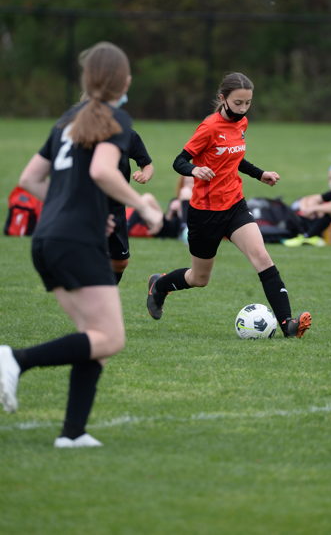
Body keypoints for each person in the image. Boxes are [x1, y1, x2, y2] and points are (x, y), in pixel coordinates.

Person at [0, 41, 156, 448]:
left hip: (47, 239)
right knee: (111, 338)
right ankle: (14, 359)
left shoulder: (67, 120)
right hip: (75, 241)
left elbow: (30, 179)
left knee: (93, 337)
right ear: (124, 81)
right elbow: (103, 171)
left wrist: (80, 209)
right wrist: (143, 205)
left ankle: (73, 433)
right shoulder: (115, 118)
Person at [145, 72, 311, 339]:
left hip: (234, 205)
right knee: (199, 279)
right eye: (238, 103)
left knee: (262, 258)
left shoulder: (242, 123)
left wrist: (260, 174)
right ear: (223, 98)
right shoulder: (209, 127)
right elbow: (179, 161)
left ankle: (287, 324)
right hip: (205, 213)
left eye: (248, 103)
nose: (243, 109)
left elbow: (235, 158)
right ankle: (160, 285)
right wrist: (195, 170)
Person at [108, 129, 154, 284]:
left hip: (116, 206)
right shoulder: (81, 133)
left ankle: (103, 292)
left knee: (120, 262)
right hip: (87, 205)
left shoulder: (127, 134)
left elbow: (147, 165)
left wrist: (145, 175)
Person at [127, 176, 194, 240]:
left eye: (191, 182)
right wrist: (171, 211)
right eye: (187, 183)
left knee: (186, 192)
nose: (189, 186)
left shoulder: (193, 202)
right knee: (147, 197)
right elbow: (168, 219)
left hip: (180, 229)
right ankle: (127, 228)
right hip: (165, 227)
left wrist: (180, 210)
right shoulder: (175, 200)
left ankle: (184, 229)